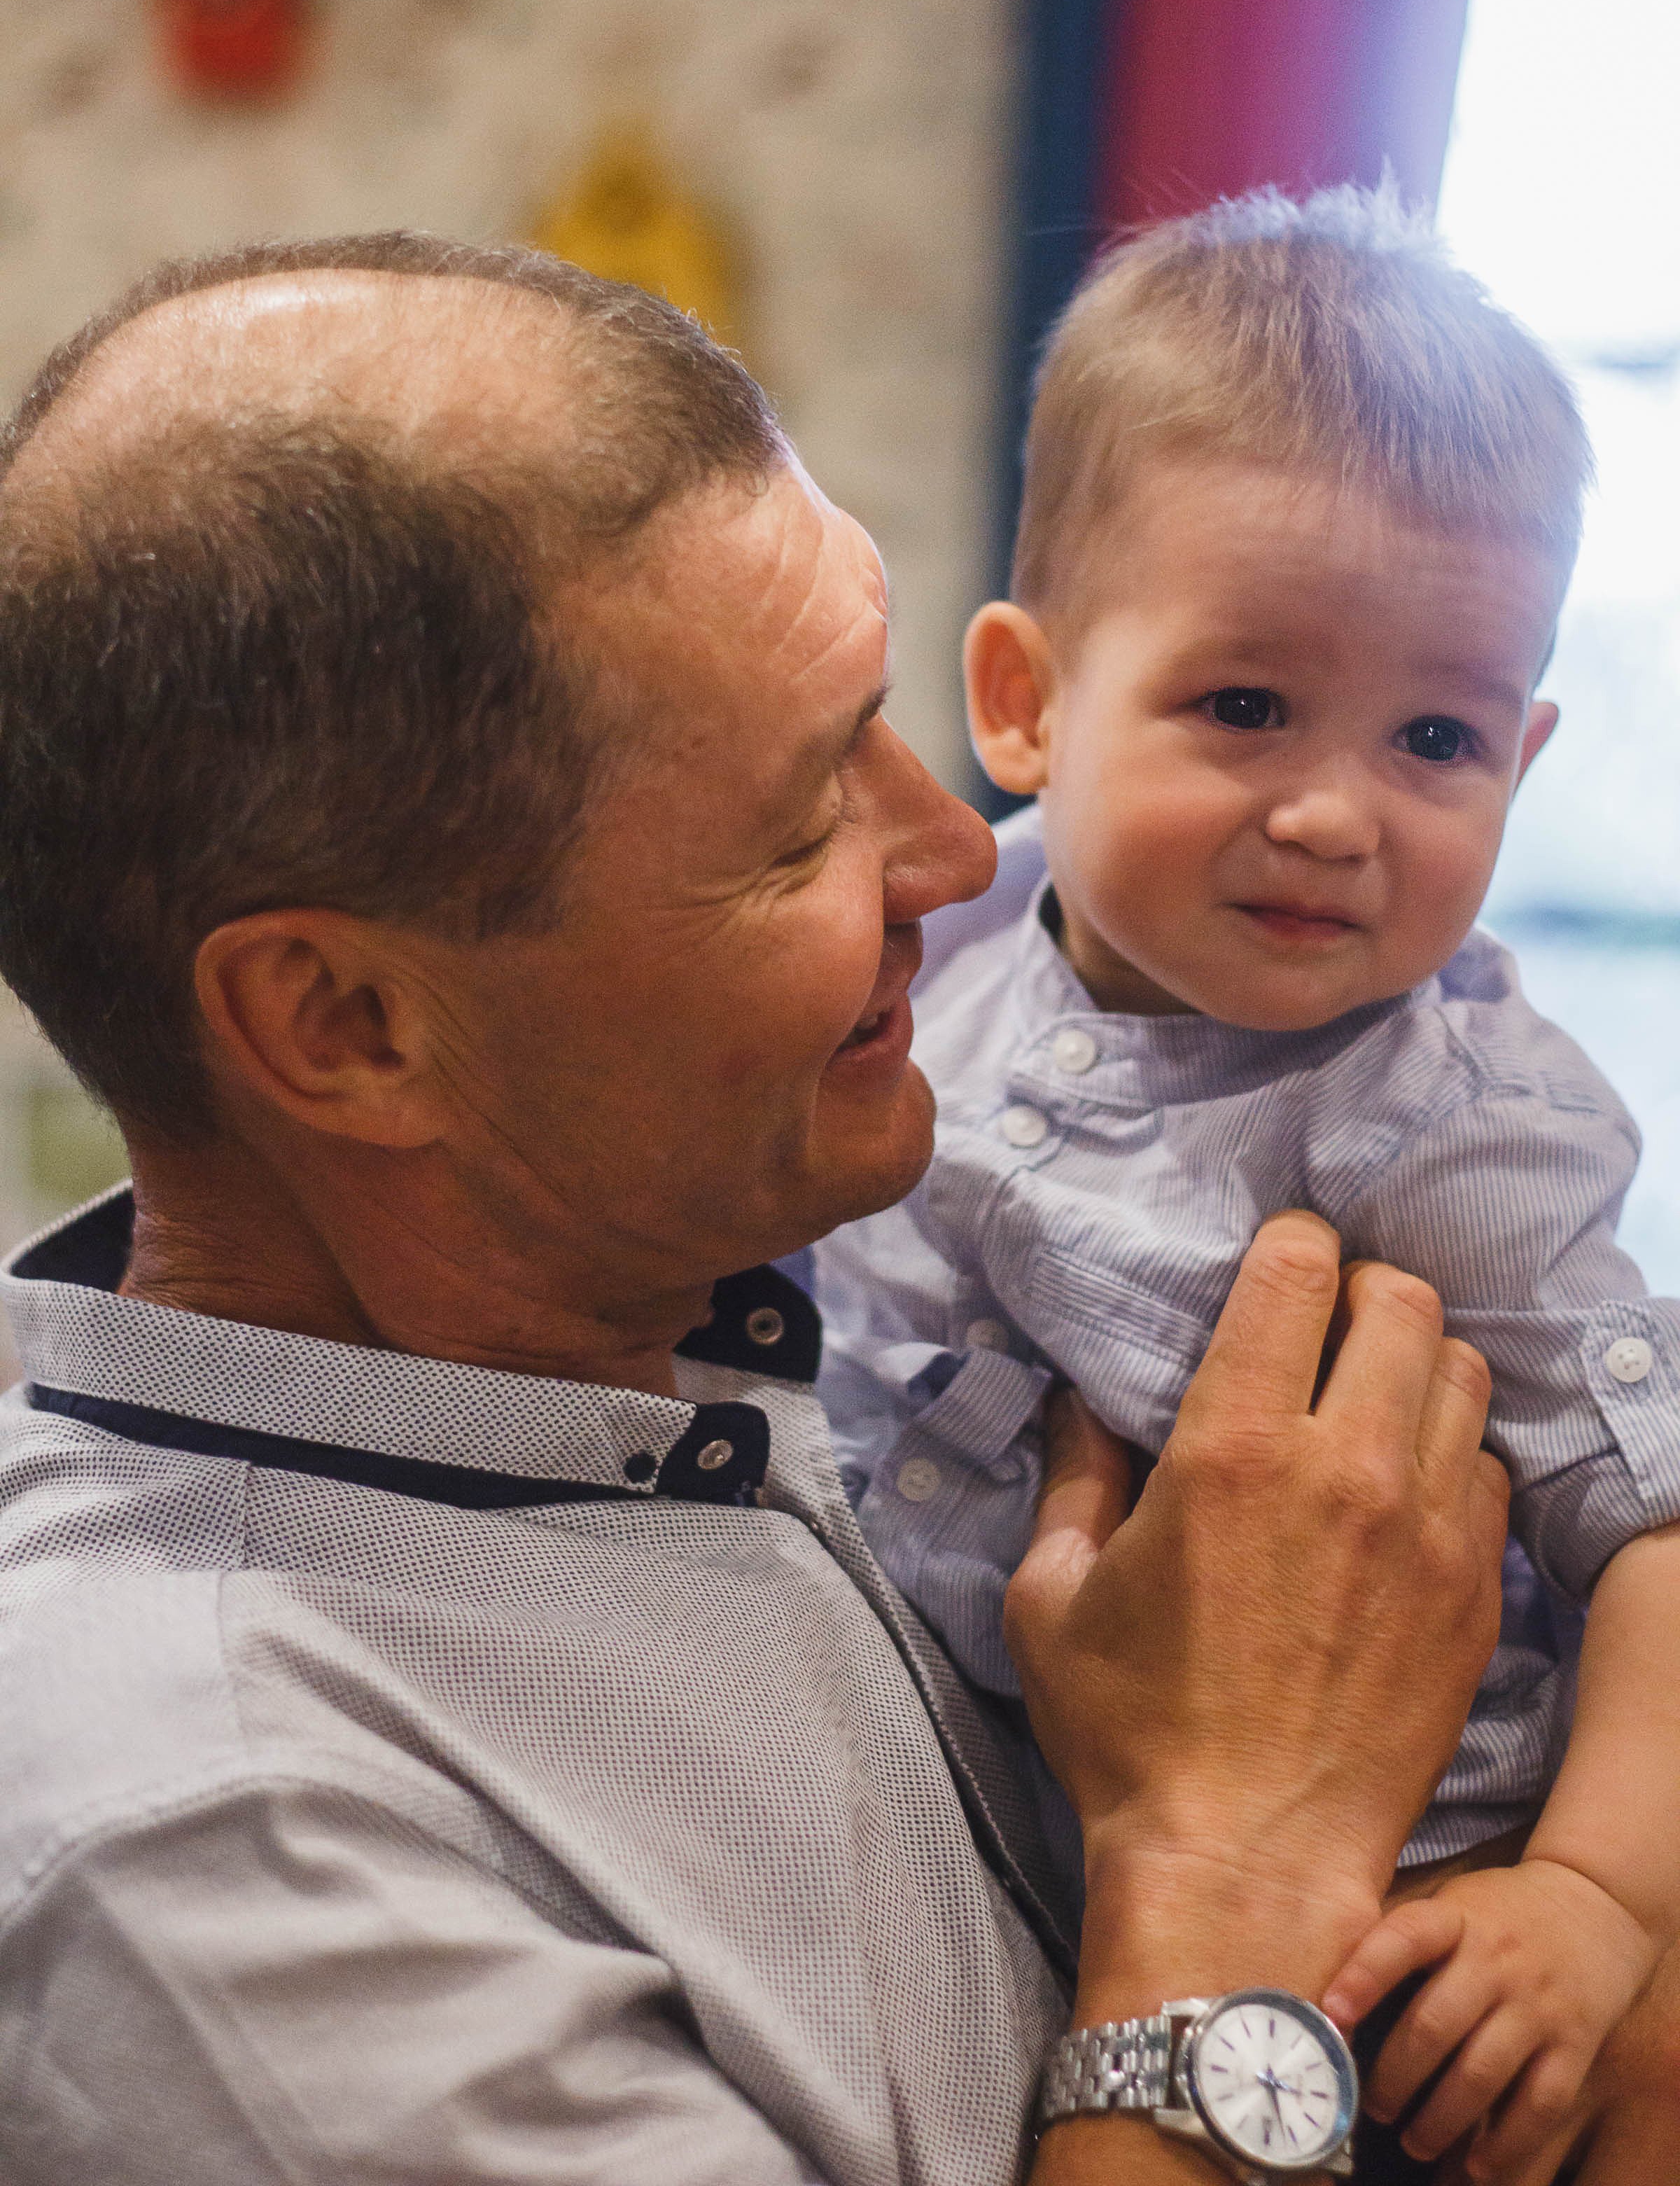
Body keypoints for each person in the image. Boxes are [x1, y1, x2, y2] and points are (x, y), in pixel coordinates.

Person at [0, 228, 1642, 2186]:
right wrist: (1233, 1868)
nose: (959, 856)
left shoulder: (643, 1263)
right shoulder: (231, 1851)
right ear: (350, 1026)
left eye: (880, 714)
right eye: (799, 823)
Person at [813, 188, 1680, 2180]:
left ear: (1524, 760)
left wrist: (1603, 1905)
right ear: (1026, 701)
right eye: (1247, 706)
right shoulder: (936, 950)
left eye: (1437, 738)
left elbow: (1657, 1519)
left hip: (1397, 1966)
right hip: (1008, 1871)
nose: (1331, 813)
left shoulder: (1456, 1122)